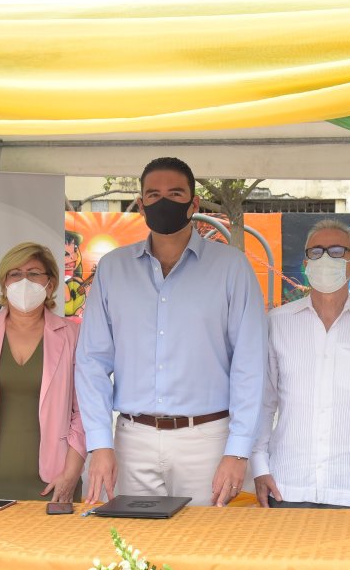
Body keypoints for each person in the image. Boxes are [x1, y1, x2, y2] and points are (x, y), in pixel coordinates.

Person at [76, 157, 267, 507]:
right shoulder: (113, 269)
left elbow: (250, 365)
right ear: (141, 203)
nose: (164, 201)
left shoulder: (231, 268)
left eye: (175, 193)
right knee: (132, 552)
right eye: (154, 194)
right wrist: (100, 444)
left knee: (205, 551)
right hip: (133, 440)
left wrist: (238, 452)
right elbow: (92, 362)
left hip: (207, 440)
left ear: (193, 203)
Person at [252, 220, 350, 510]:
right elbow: (263, 401)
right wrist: (259, 465)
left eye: (336, 251)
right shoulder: (278, 322)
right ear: (306, 263)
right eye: (316, 252)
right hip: (286, 484)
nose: (325, 260)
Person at [0, 242, 86, 501]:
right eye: (15, 274)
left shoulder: (73, 336)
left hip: (54, 484)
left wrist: (71, 473)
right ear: (4, 284)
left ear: (51, 284)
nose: (24, 281)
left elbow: (84, 410)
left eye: (34, 273)